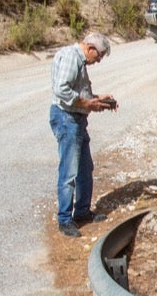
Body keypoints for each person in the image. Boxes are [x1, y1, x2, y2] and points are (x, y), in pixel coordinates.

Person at [49, 29, 117, 237]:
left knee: (85, 168)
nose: (98, 61)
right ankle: (65, 220)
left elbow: (77, 92)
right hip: (66, 119)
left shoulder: (79, 60)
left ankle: (82, 212)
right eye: (99, 56)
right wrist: (88, 103)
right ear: (91, 48)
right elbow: (61, 90)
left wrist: (98, 99)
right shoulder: (71, 56)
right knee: (69, 172)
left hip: (76, 119)